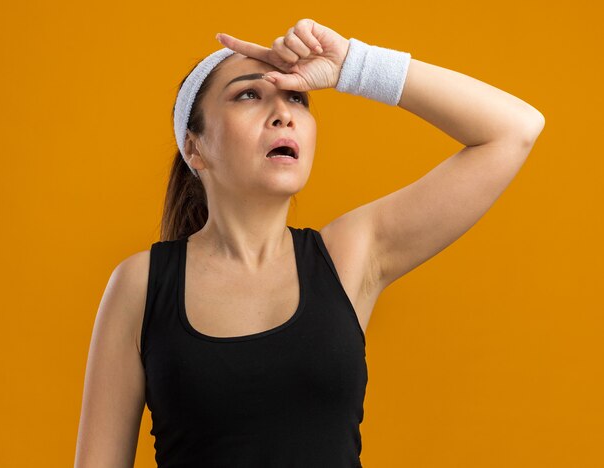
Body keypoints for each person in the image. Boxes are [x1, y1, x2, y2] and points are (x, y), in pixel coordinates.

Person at [75, 18, 545, 467]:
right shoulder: (141, 286)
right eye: (249, 95)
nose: (283, 113)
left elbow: (513, 129)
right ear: (194, 147)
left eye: (297, 99)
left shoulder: (348, 255)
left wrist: (353, 66)